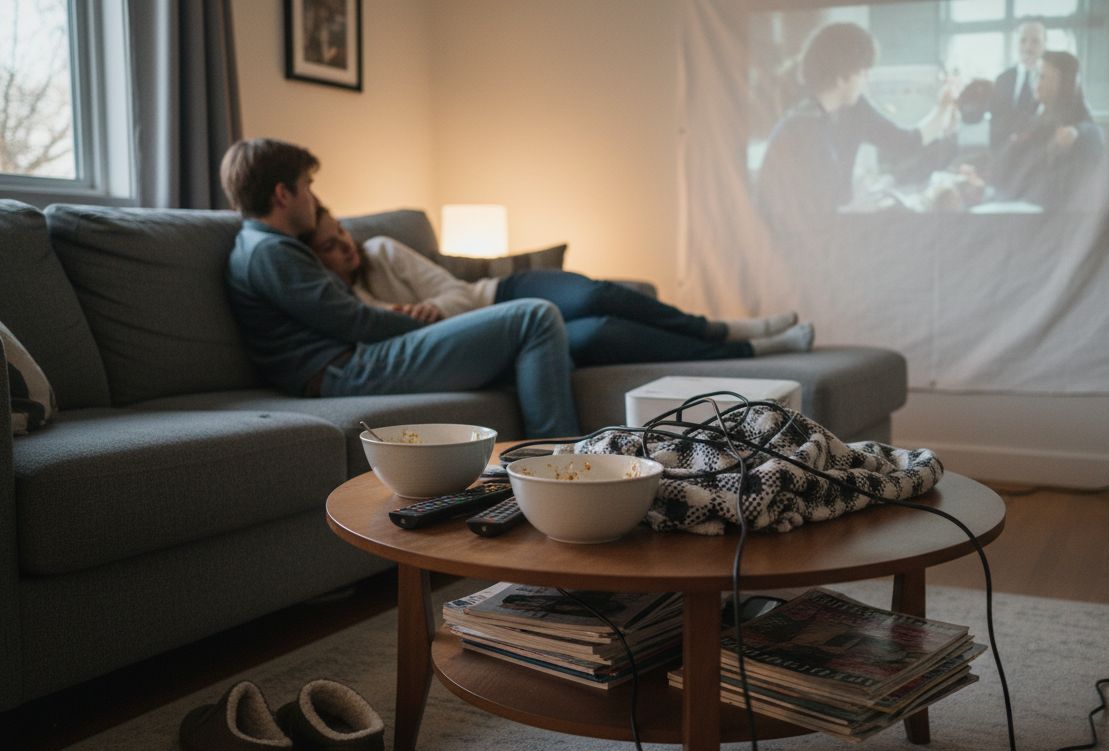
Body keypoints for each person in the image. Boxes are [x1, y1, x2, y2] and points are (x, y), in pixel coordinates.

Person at [220, 138, 580, 438]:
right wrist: (430, 327)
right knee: (534, 316)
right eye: (308, 187)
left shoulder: (264, 247)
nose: (313, 199)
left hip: (349, 364)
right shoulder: (269, 252)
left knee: (546, 344)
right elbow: (354, 322)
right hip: (348, 369)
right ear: (283, 194)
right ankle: (556, 469)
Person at [302, 204, 815, 366]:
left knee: (595, 294)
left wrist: (430, 311)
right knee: (602, 331)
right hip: (502, 336)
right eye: (330, 245)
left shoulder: (384, 251)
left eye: (342, 232)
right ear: (318, 262)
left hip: (498, 295)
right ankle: (749, 350)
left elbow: (457, 291)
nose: (346, 246)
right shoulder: (342, 306)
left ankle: (719, 326)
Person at [754, 21, 959, 231]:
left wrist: (943, 108)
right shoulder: (800, 129)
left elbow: (906, 141)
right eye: (862, 73)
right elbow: (803, 214)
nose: (866, 81)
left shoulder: (854, 108)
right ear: (842, 77)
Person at [989, 50, 1104, 209]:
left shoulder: (1077, 125)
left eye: (1042, 76)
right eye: (1036, 75)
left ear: (1064, 83)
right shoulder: (1032, 111)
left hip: (1044, 209)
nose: (1036, 82)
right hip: (1011, 196)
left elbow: (1094, 135)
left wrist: (1078, 133)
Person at [989, 20, 1047, 154]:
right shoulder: (1002, 80)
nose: (1028, 47)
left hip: (1039, 159)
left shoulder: (1052, 81)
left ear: (1045, 44)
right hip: (1005, 158)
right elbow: (995, 124)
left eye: (1035, 41)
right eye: (1023, 41)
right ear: (1016, 43)